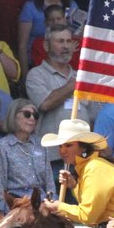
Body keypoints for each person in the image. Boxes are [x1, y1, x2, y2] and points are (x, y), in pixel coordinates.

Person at [41, 119, 114, 228]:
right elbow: (90, 205)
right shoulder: (88, 167)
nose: (62, 151)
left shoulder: (94, 168)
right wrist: (74, 185)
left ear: (83, 148)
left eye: (68, 145)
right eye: (61, 146)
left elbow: (88, 214)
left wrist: (58, 207)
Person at [25, 24, 90, 182]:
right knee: (54, 206)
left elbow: (94, 113)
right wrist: (72, 86)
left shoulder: (79, 76)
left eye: (69, 41)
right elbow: (45, 103)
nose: (66, 46)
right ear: (46, 45)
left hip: (83, 158)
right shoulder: (36, 75)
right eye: (60, 41)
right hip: (54, 158)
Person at [0, 99, 54, 214]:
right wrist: (0, 211)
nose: (32, 118)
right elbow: (0, 183)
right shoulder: (3, 146)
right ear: (14, 116)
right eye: (27, 114)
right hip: (16, 204)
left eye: (35, 115)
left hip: (41, 204)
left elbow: (49, 181)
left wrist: (53, 202)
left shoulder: (41, 144)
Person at [17, 0, 78, 73]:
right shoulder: (30, 7)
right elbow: (22, 45)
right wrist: (25, 75)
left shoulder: (72, 6)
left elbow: (76, 36)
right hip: (37, 63)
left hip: (66, 62)